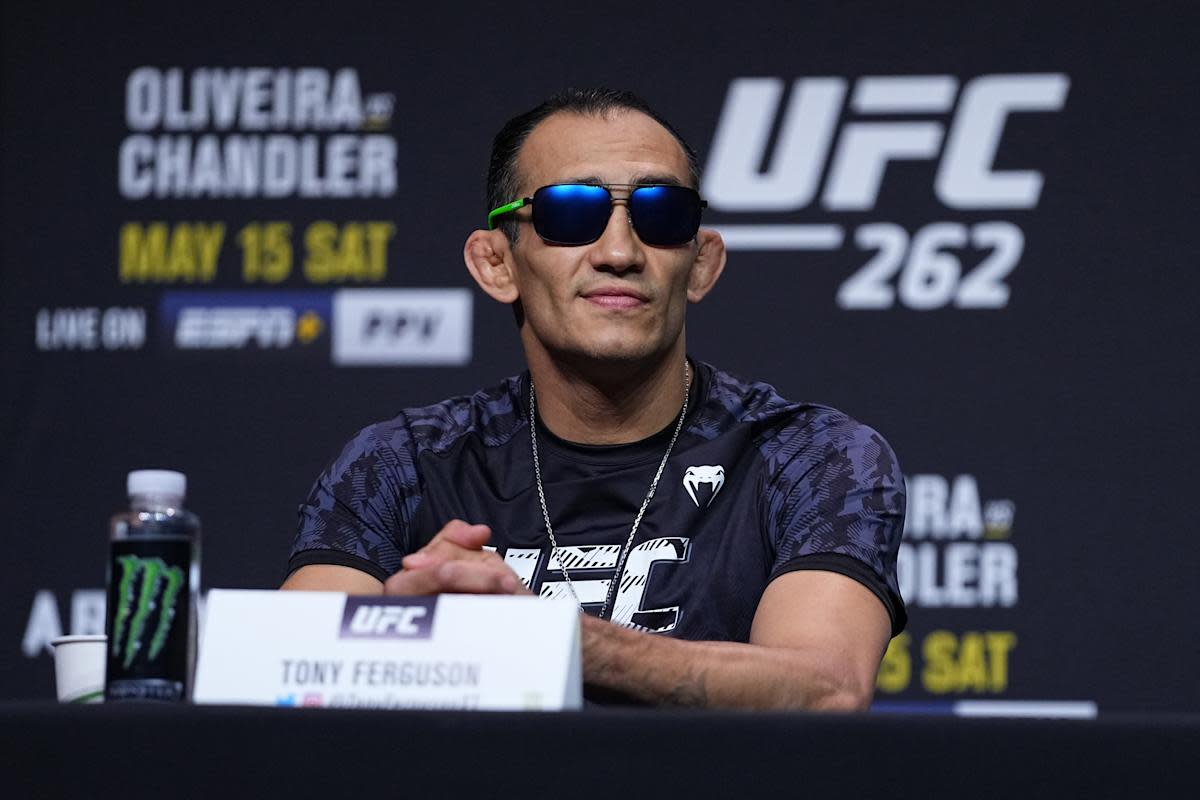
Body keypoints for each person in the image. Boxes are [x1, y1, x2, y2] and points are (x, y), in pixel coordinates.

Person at [282, 88, 906, 710]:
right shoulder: (402, 463)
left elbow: (825, 688)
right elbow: (287, 672)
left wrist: (545, 640)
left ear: (701, 263)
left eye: (661, 214)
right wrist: (405, 628)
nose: (619, 253)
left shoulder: (812, 456)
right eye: (571, 214)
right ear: (497, 263)